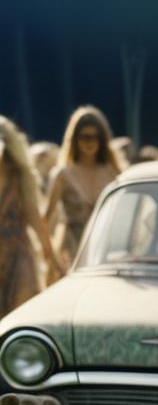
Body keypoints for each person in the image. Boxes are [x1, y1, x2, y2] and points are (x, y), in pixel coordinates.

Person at [0, 117, 69, 316]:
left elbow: (34, 217)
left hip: (18, 251)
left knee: (21, 308)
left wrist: (52, 258)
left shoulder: (19, 176)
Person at [45, 105, 124, 266]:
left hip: (106, 252)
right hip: (70, 254)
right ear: (74, 138)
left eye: (96, 137)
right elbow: (45, 221)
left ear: (103, 140)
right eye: (84, 136)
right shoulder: (62, 175)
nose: (90, 142)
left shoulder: (113, 173)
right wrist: (52, 258)